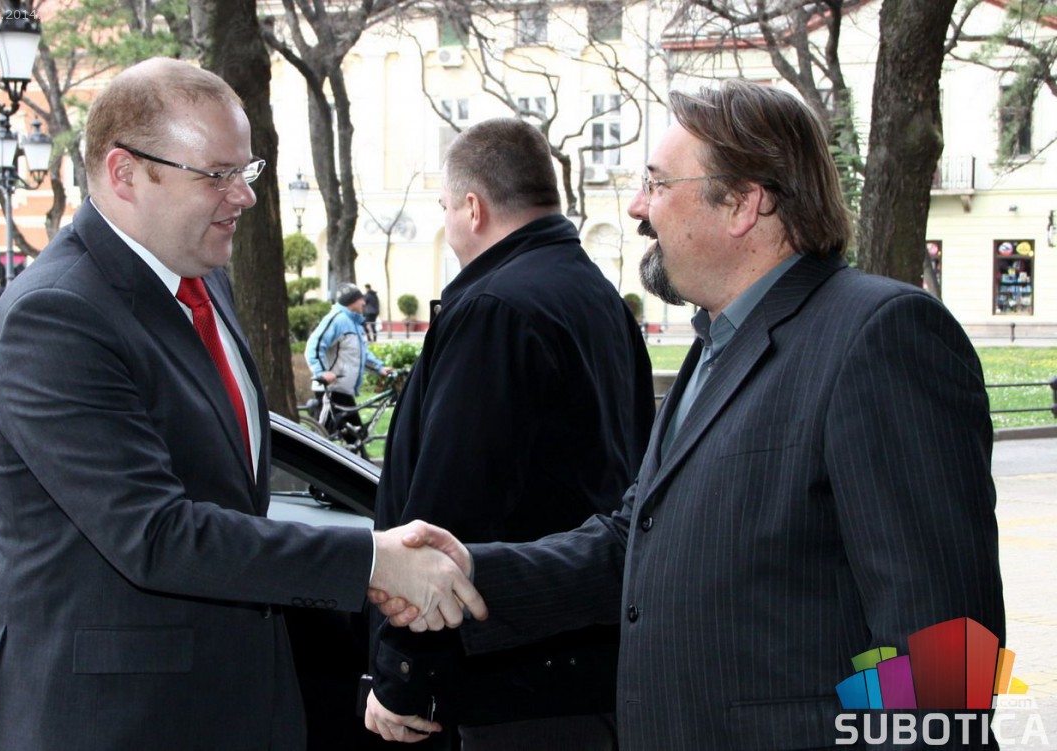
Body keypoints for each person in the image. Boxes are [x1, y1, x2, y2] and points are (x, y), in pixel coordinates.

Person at [381, 80, 1005, 750]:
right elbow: (633, 542)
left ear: (742, 203)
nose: (637, 207)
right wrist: (470, 570)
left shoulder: (880, 336)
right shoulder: (718, 342)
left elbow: (946, 645)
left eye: (656, 183)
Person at [0, 57, 483, 751]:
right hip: (116, 722)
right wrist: (372, 562)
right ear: (124, 173)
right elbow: (155, 534)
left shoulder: (203, 279)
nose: (242, 196)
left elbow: (229, 498)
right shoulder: (56, 313)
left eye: (247, 170)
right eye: (217, 174)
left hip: (238, 702)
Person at [363, 118, 655, 750]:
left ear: (473, 208)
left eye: (445, 208)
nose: (448, 224)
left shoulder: (496, 308)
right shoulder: (597, 295)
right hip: (585, 656)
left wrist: (401, 675)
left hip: (513, 676)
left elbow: (449, 509)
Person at [305, 282, 390, 440]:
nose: (364, 302)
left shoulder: (353, 323)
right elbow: (313, 346)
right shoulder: (337, 319)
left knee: (356, 439)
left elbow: (360, 354)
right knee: (319, 440)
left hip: (342, 391)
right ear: (351, 301)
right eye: (360, 299)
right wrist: (322, 372)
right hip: (330, 392)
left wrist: (380, 368)